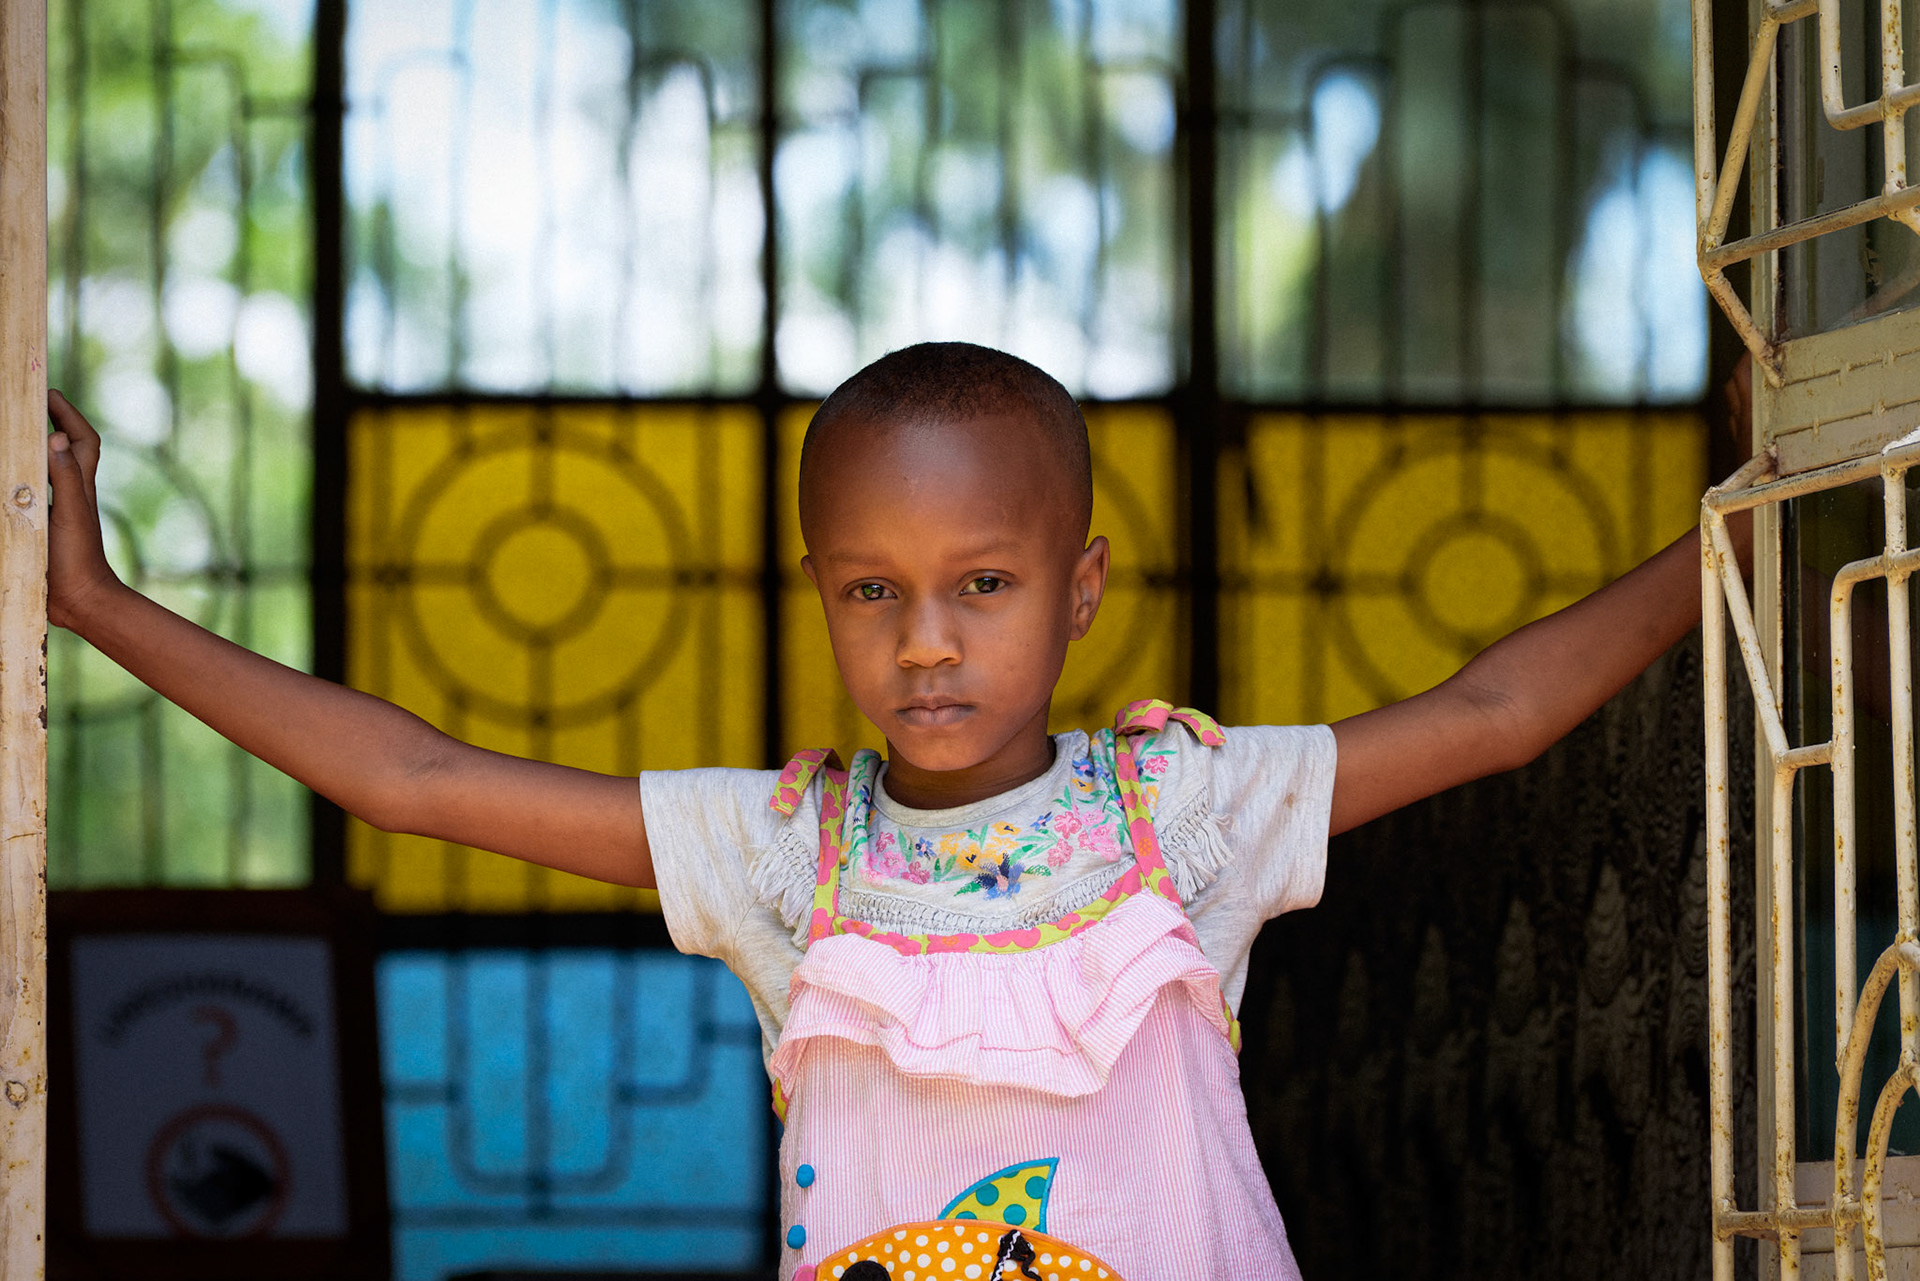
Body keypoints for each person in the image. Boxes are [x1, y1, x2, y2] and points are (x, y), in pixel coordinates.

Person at [43, 342, 1743, 1280]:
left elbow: (1495, 713)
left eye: (982, 582)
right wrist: (104, 606)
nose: (926, 639)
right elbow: (413, 780)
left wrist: (1741, 526)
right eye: (872, 591)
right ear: (819, 591)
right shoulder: (788, 853)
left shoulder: (1185, 815)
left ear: (1080, 590)